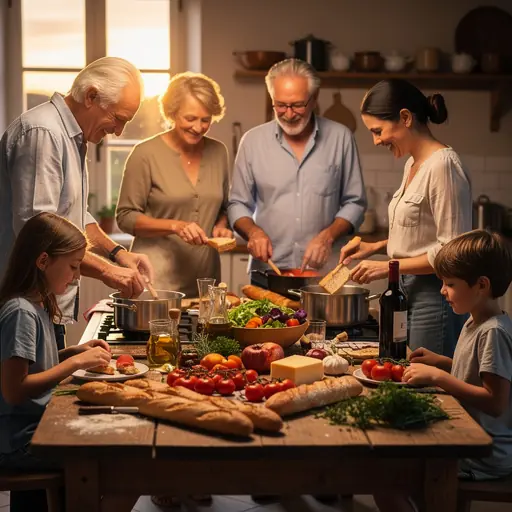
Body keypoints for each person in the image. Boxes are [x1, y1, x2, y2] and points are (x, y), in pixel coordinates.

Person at [0, 56, 155, 350]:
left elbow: (74, 217)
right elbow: (40, 233)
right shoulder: (43, 133)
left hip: (45, 303)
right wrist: (107, 271)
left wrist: (118, 254)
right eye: (118, 119)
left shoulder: (72, 136)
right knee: (25, 394)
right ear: (91, 96)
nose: (119, 131)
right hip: (23, 305)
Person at [375, 230, 512, 512]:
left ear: (481, 285)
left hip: (484, 454)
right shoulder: (476, 322)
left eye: (449, 284)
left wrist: (440, 378)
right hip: (467, 439)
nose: (442, 291)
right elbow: (480, 373)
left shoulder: (494, 332)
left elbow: (495, 402)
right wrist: (442, 362)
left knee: (385, 484)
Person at [339, 79, 472, 357]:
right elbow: (421, 232)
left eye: (378, 131)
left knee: (427, 383)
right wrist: (374, 248)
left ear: (405, 117)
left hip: (435, 296)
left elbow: (451, 251)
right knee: (405, 370)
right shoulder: (413, 163)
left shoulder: (443, 165)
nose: (376, 140)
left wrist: (388, 267)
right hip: (405, 288)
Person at [0, 212, 114, 512]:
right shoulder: (21, 312)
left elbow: (35, 363)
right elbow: (15, 389)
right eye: (74, 266)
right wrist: (75, 365)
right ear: (43, 261)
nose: (77, 276)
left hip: (33, 429)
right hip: (19, 442)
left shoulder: (36, 304)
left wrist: (74, 352)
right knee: (109, 459)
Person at [228, 58, 366, 276]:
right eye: (280, 105)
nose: (289, 114)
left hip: (324, 274)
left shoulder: (341, 138)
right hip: (268, 271)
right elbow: (237, 203)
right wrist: (253, 232)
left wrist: (327, 236)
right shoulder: (252, 141)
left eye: (297, 105)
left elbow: (355, 203)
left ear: (314, 99)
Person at [116, 72, 232, 298]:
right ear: (171, 113)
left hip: (206, 282)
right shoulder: (145, 154)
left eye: (205, 119)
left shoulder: (219, 152)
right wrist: (175, 226)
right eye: (190, 118)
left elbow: (223, 207)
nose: (198, 127)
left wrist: (221, 224)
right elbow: (125, 217)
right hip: (157, 282)